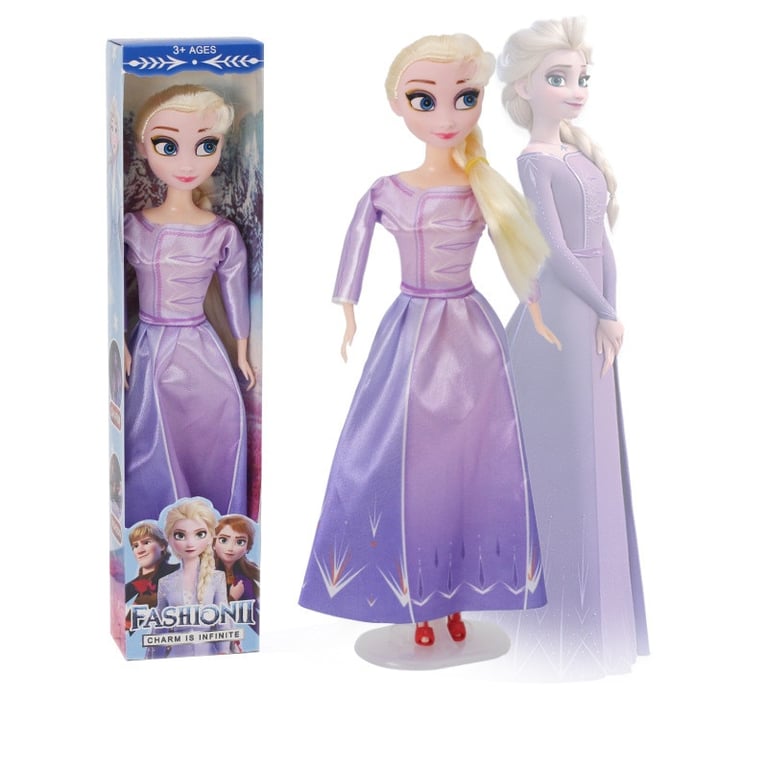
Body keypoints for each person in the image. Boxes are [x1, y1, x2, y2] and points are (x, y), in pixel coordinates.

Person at [299, 34, 555, 647]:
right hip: (409, 334)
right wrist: (347, 310)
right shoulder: (388, 190)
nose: (446, 116)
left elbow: (518, 255)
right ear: (398, 104)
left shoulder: (483, 186)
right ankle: (416, 597)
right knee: (401, 462)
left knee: (478, 462)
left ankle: (461, 592)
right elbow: (355, 252)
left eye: (464, 98)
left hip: (472, 339)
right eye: (424, 99)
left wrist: (537, 310)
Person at [495, 17, 648, 678]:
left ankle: (602, 626)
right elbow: (556, 250)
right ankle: (559, 628)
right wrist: (605, 311)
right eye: (558, 78)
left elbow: (600, 242)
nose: (576, 89)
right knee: (565, 459)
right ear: (524, 88)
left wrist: (611, 311)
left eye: (581, 77)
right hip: (558, 319)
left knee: (596, 454)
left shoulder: (579, 156)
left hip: (588, 316)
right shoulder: (533, 160)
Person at [123, 85, 256, 528]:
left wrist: (242, 350)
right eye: (168, 145)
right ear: (143, 147)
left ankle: (216, 532)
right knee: (150, 443)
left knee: (212, 439)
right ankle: (151, 534)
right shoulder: (133, 227)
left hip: (204, 355)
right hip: (151, 349)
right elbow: (106, 290)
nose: (186, 163)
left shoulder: (220, 233)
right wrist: (116, 340)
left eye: (205, 145)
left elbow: (235, 291)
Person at [147, 497, 233, 657]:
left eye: (200, 534)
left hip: (210, 654)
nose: (190, 543)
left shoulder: (217, 579)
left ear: (210, 537)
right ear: (168, 538)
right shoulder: (166, 583)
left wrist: (223, 652)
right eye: (180, 535)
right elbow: (159, 629)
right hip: (176, 656)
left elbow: (223, 622)